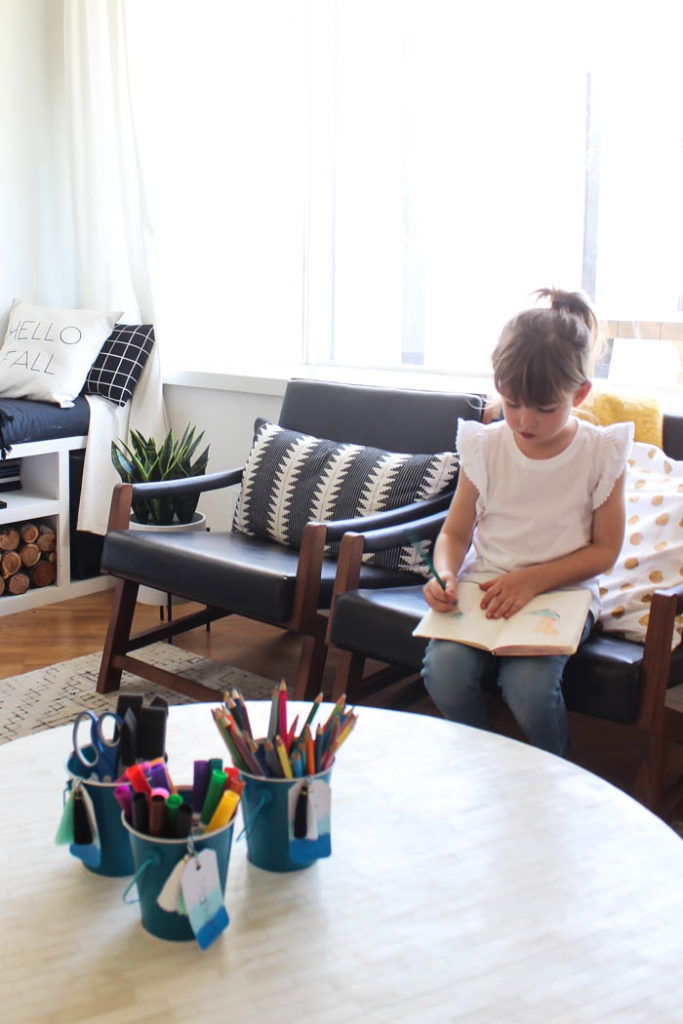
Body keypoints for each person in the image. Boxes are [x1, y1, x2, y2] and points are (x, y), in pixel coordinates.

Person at [421, 288, 634, 756]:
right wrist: (444, 572)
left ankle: (554, 769)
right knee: (445, 673)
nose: (524, 421)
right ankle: (489, 760)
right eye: (513, 403)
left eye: (544, 409)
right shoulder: (486, 445)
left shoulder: (601, 453)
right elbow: (455, 533)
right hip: (486, 587)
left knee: (530, 691)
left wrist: (532, 580)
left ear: (579, 394)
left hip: (562, 591)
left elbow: (604, 551)